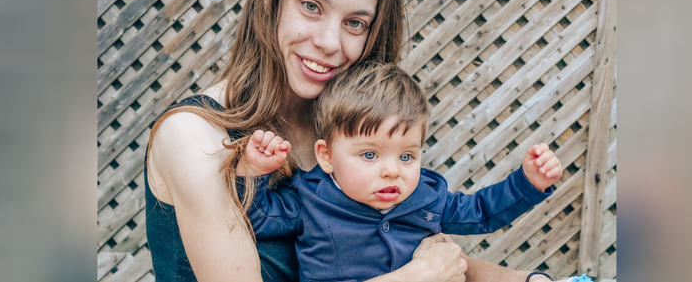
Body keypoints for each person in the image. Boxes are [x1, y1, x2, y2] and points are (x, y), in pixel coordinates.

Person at [145, 0, 560, 282]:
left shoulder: (352, 132)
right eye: (311, 6)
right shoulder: (193, 137)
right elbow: (424, 271)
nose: (329, 42)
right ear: (272, 1)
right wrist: (418, 276)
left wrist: (523, 279)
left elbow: (429, 257)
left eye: (356, 23)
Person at [237, 61, 563, 281]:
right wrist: (254, 170)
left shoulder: (425, 197)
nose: (392, 171)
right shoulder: (309, 199)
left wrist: (527, 183)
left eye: (407, 156)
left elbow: (480, 212)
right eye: (369, 154)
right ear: (327, 156)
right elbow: (257, 220)